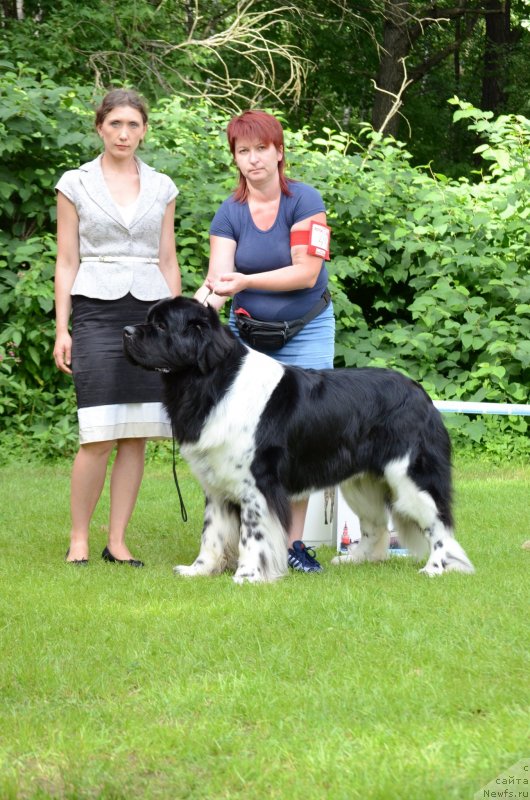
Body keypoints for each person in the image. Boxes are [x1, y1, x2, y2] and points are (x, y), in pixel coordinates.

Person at [195, 109, 335, 574]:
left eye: (261, 149)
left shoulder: (305, 200)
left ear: (278, 152)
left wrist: (244, 282)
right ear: (235, 159)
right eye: (242, 152)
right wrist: (185, 319)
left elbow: (306, 272)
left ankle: (293, 545)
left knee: (302, 434)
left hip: (306, 330)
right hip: (247, 339)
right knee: (235, 440)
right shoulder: (229, 212)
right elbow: (217, 283)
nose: (253, 160)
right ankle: (230, 544)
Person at [53, 88, 181, 567]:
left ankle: (118, 541)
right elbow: (67, 260)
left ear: (144, 129)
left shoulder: (162, 186)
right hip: (95, 311)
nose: (124, 133)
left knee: (137, 433)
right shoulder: (75, 183)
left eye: (133, 125)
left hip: (150, 313)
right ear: (99, 128)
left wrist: (174, 330)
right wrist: (62, 328)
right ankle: (80, 538)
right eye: (115, 124)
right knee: (98, 433)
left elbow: (168, 259)